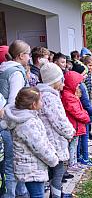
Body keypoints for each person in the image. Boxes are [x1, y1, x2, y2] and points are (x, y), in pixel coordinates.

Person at [1, 87, 59, 198]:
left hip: (30, 166)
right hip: (32, 168)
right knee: (37, 194)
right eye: (40, 100)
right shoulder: (27, 124)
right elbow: (39, 146)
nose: (42, 102)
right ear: (33, 104)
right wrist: (53, 159)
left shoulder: (27, 117)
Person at [36, 63, 75, 198]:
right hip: (54, 139)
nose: (63, 81)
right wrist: (70, 132)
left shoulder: (42, 94)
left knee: (53, 169)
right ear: (54, 80)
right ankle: (56, 195)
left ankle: (56, 193)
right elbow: (58, 120)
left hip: (48, 138)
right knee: (58, 169)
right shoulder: (50, 97)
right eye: (61, 79)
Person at [0, 40, 30, 198]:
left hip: (3, 123)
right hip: (7, 125)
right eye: (28, 54)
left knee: (8, 164)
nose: (29, 58)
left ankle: (20, 192)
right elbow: (14, 103)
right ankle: (13, 194)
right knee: (11, 165)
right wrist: (11, 125)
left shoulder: (4, 69)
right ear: (20, 55)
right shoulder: (16, 73)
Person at [61, 71, 91, 168]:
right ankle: (72, 163)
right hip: (74, 125)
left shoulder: (71, 94)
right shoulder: (68, 96)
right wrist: (86, 117)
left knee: (75, 144)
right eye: (77, 83)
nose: (79, 85)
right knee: (73, 146)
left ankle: (75, 161)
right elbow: (76, 111)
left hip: (76, 125)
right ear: (72, 83)